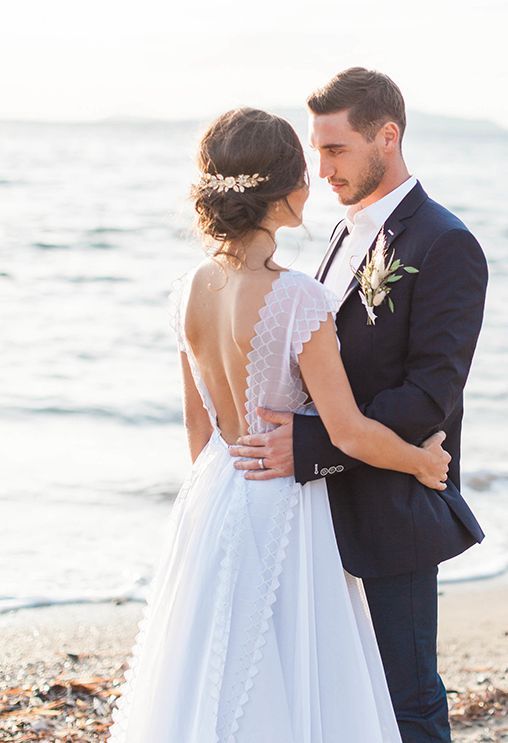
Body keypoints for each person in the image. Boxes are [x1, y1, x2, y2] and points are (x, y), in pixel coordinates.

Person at [107, 106, 458, 743]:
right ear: (279, 191)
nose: (315, 182)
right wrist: (421, 462)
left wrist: (219, 508)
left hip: (213, 495)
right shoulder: (295, 295)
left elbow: (198, 431)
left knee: (215, 673)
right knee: (293, 678)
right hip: (279, 502)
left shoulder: (188, 288)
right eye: (305, 170)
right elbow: (347, 430)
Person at [231, 68, 488, 743]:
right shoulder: (343, 235)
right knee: (339, 698)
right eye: (316, 151)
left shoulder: (445, 244)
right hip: (318, 508)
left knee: (408, 698)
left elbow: (431, 399)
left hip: (391, 504)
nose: (321, 169)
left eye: (336, 149)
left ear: (388, 136)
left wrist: (312, 445)